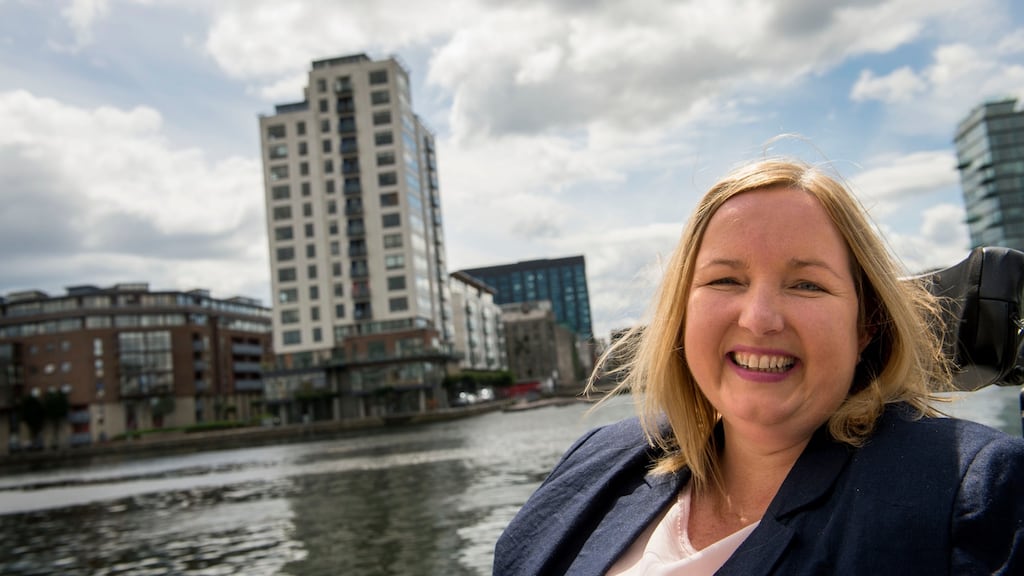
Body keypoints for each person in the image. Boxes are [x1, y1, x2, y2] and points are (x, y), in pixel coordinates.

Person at [493, 158, 1024, 575]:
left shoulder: (967, 493)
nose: (760, 318)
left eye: (807, 284)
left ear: (866, 324)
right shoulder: (599, 457)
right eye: (725, 280)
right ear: (683, 312)